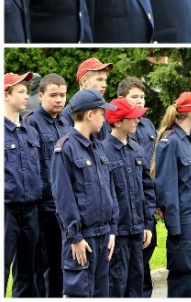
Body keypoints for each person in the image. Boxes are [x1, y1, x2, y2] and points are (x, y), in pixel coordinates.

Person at [51, 89, 118, 297]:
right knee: (80, 294)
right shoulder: (66, 149)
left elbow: (110, 189)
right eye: (102, 112)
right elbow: (63, 198)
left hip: (103, 236)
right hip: (83, 239)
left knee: (101, 294)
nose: (105, 118)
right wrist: (75, 237)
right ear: (90, 114)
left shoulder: (98, 147)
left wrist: (112, 229)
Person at [153, 91, 191, 297]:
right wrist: (175, 228)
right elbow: (166, 188)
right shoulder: (170, 142)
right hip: (184, 222)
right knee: (184, 277)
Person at [100, 98, 154, 297]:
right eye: (132, 118)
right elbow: (105, 194)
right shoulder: (102, 151)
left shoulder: (137, 149)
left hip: (137, 230)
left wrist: (148, 224)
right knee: (116, 283)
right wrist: (111, 230)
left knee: (136, 282)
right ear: (117, 122)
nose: (137, 121)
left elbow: (147, 189)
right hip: (118, 233)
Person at [23, 73, 70, 297]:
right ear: (40, 95)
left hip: (64, 205)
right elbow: (31, 165)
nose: (59, 100)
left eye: (62, 95)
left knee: (60, 265)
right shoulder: (32, 122)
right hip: (43, 206)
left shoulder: (65, 122)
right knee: (42, 267)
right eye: (53, 95)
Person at [4, 72, 42, 297]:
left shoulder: (30, 131)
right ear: (5, 95)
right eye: (20, 91)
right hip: (6, 211)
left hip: (31, 211)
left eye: (27, 91)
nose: (26, 95)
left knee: (28, 272)